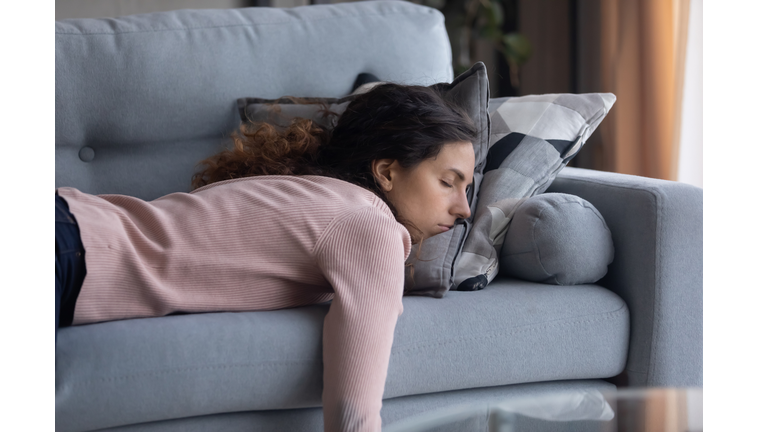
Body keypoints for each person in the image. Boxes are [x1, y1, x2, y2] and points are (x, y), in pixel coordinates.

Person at [55, 83, 478, 432]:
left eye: (467, 189)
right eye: (448, 182)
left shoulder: (311, 191)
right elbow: (354, 411)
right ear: (386, 171)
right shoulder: (371, 227)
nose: (465, 210)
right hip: (68, 248)